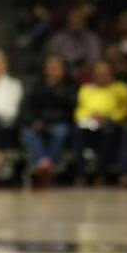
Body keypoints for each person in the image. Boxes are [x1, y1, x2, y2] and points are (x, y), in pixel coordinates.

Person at [74, 58, 127, 184]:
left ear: (111, 74)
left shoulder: (120, 88)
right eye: (98, 74)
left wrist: (108, 117)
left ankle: (101, 173)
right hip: (89, 123)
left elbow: (123, 110)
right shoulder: (86, 89)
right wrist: (89, 117)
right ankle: (80, 173)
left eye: (105, 73)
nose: (101, 76)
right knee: (77, 132)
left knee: (108, 132)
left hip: (111, 123)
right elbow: (80, 110)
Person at [22, 55, 77, 185]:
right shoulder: (36, 85)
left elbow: (70, 109)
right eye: (49, 68)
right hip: (38, 122)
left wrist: (47, 122)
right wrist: (35, 121)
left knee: (60, 132)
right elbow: (28, 107)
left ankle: (49, 164)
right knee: (29, 133)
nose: (52, 71)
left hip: (60, 122)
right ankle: (41, 164)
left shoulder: (70, 86)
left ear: (63, 70)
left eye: (56, 68)